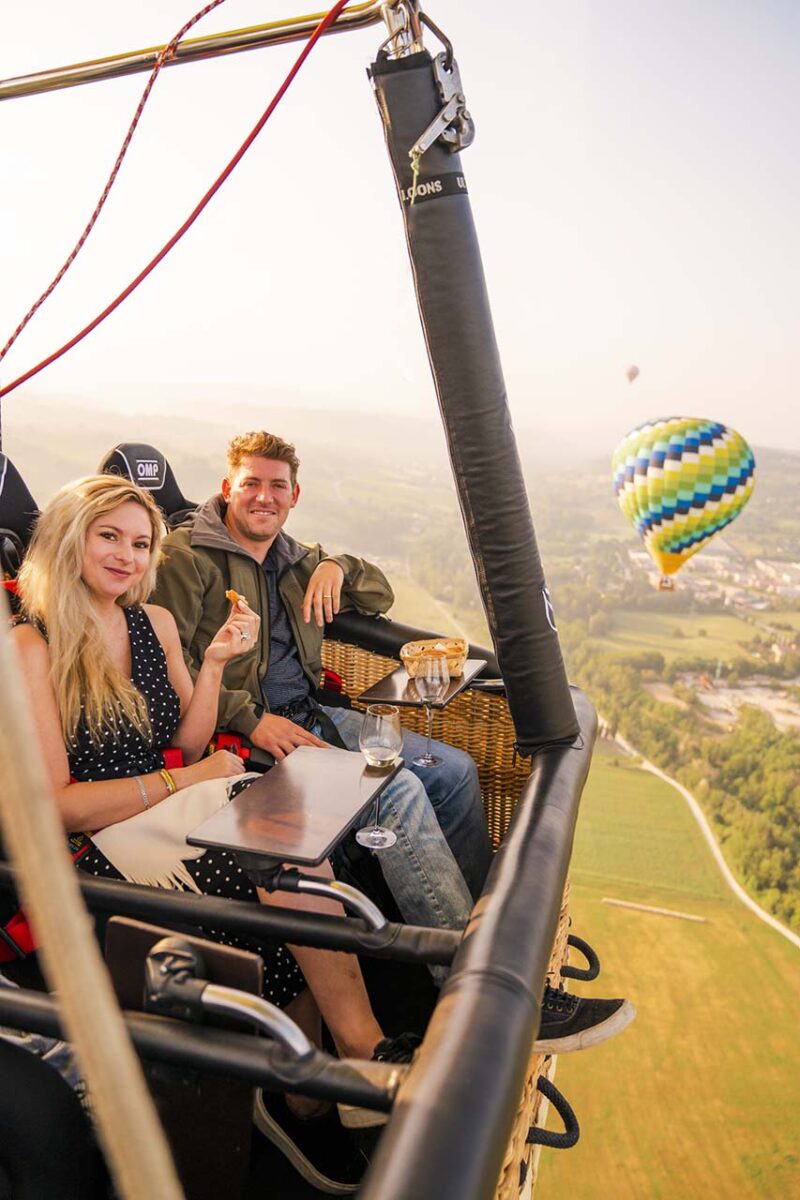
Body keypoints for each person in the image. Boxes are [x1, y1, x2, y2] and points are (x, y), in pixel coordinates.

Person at [10, 474, 418, 1080]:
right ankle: (357, 1050)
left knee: (291, 843)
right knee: (269, 853)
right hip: (90, 847)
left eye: (142, 543)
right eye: (110, 537)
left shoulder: (153, 623)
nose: (128, 556)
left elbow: (185, 741)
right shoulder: (30, 646)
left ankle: (307, 1086)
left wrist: (215, 665)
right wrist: (186, 780)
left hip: (166, 814)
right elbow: (56, 808)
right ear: (71, 540)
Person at [151, 430, 491, 929]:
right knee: (398, 793)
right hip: (242, 733)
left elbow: (379, 595)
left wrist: (339, 565)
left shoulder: (299, 559)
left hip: (311, 714)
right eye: (251, 484)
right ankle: (461, 967)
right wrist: (250, 718)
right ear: (228, 488)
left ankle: (484, 923)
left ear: (295, 495)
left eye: (277, 486)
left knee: (455, 772)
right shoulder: (187, 558)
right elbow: (169, 664)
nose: (264, 496)